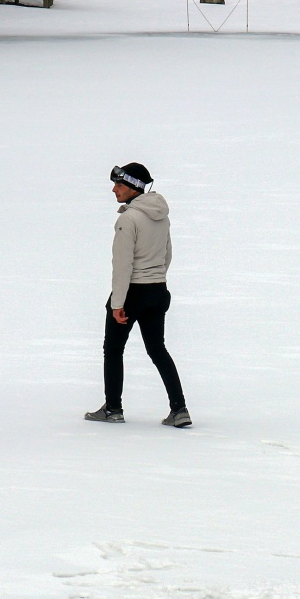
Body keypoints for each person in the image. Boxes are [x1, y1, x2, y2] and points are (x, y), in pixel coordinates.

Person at [85, 163, 190, 428]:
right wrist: (156, 282)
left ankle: (113, 408)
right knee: (158, 349)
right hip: (157, 290)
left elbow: (122, 265)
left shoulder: (128, 219)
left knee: (113, 349)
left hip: (132, 292)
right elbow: (167, 254)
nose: (114, 190)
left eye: (118, 185)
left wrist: (118, 304)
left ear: (133, 187)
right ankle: (179, 409)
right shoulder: (161, 216)